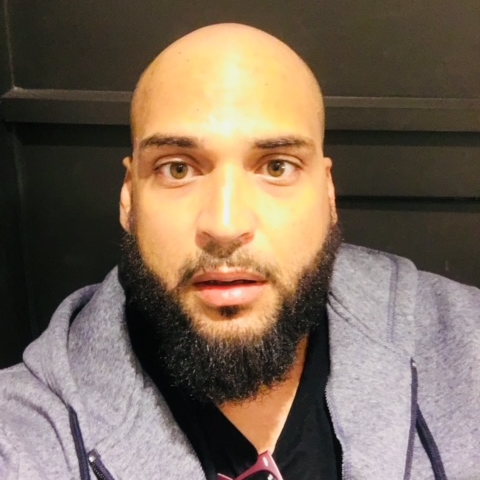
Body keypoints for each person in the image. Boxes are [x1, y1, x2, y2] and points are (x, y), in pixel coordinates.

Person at [0, 23, 479, 480]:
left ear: (328, 193)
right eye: (177, 169)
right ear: (129, 196)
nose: (225, 225)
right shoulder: (22, 436)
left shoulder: (466, 343)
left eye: (276, 166)